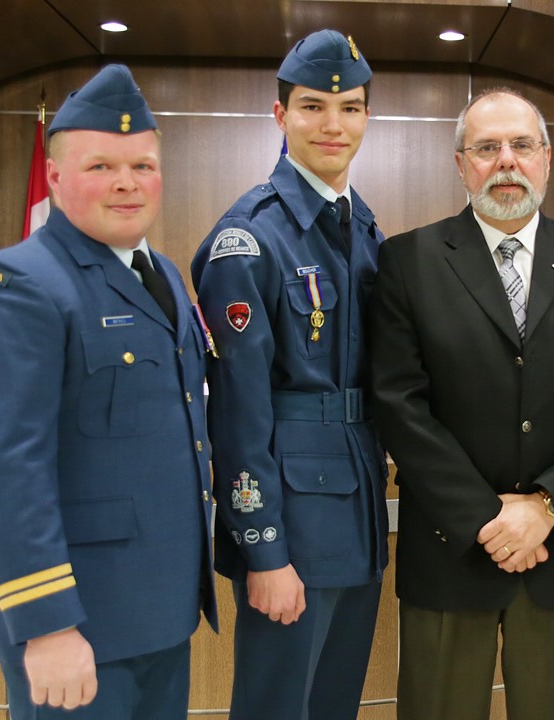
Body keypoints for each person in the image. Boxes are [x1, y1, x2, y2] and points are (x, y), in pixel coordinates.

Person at [0, 64, 217, 719]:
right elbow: (6, 470)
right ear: (58, 177)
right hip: (78, 627)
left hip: (159, 612)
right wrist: (47, 625)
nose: (127, 182)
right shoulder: (17, 285)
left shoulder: (166, 276)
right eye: (101, 166)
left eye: (142, 165)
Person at [369, 87, 554, 720]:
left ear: (547, 158)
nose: (506, 161)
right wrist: (487, 518)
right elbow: (399, 405)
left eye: (522, 145)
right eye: (487, 148)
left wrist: (548, 506)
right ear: (461, 164)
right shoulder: (408, 261)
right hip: (451, 546)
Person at [190, 29, 387, 720]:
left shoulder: (360, 227)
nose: (333, 125)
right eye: (312, 106)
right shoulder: (250, 237)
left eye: (350, 108)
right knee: (278, 707)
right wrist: (263, 548)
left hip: (355, 509)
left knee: (333, 705)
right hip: (294, 524)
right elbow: (238, 411)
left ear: (367, 117)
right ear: (280, 116)